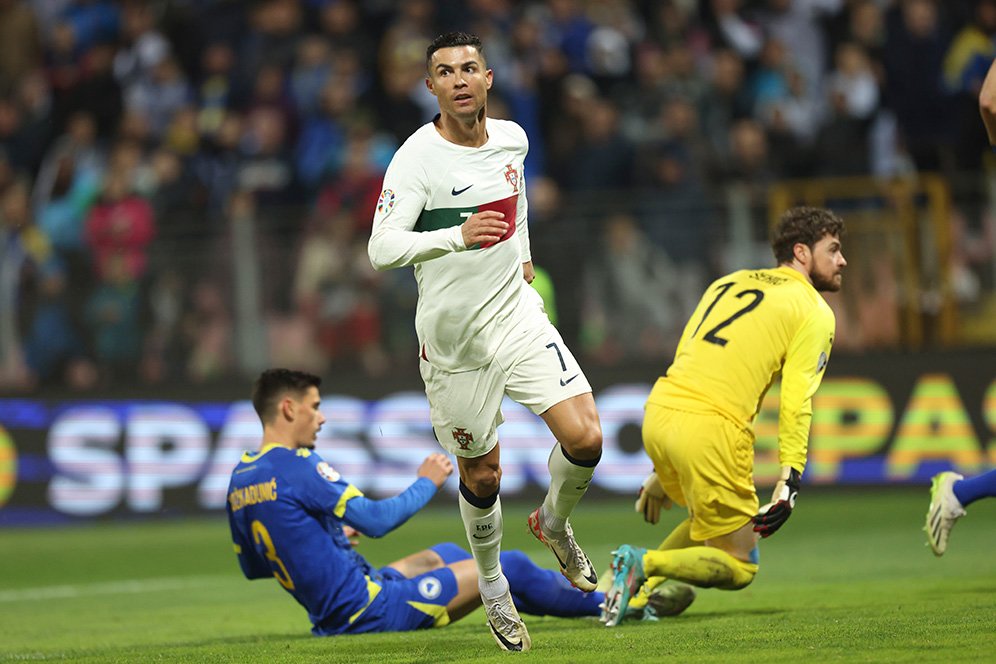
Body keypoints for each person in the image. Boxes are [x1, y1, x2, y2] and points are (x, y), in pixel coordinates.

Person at [367, 32, 602, 651]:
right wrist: (456, 237)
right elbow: (381, 248)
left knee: (586, 436)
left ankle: (553, 522)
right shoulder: (417, 159)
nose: (460, 79)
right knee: (484, 474)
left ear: (488, 77)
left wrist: (523, 257)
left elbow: (516, 201)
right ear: (432, 88)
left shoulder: (513, 138)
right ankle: (494, 584)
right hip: (454, 344)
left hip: (516, 317)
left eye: (469, 68)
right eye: (445, 72)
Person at [601, 206, 847, 626]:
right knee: (741, 563)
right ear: (802, 253)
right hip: (712, 429)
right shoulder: (813, 310)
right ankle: (643, 566)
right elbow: (796, 402)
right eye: (834, 249)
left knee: (710, 526)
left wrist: (663, 472)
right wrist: (790, 480)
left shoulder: (729, 281)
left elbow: (692, 355)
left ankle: (619, 590)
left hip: (659, 412)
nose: (842, 261)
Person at [225, 368, 607, 638]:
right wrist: (426, 483)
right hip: (366, 610)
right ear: (289, 408)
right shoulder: (296, 465)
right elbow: (375, 521)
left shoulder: (241, 478)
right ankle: (609, 603)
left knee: (446, 554)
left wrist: (319, 538)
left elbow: (253, 566)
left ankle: (540, 600)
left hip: (339, 602)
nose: (321, 418)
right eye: (315, 407)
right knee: (511, 566)